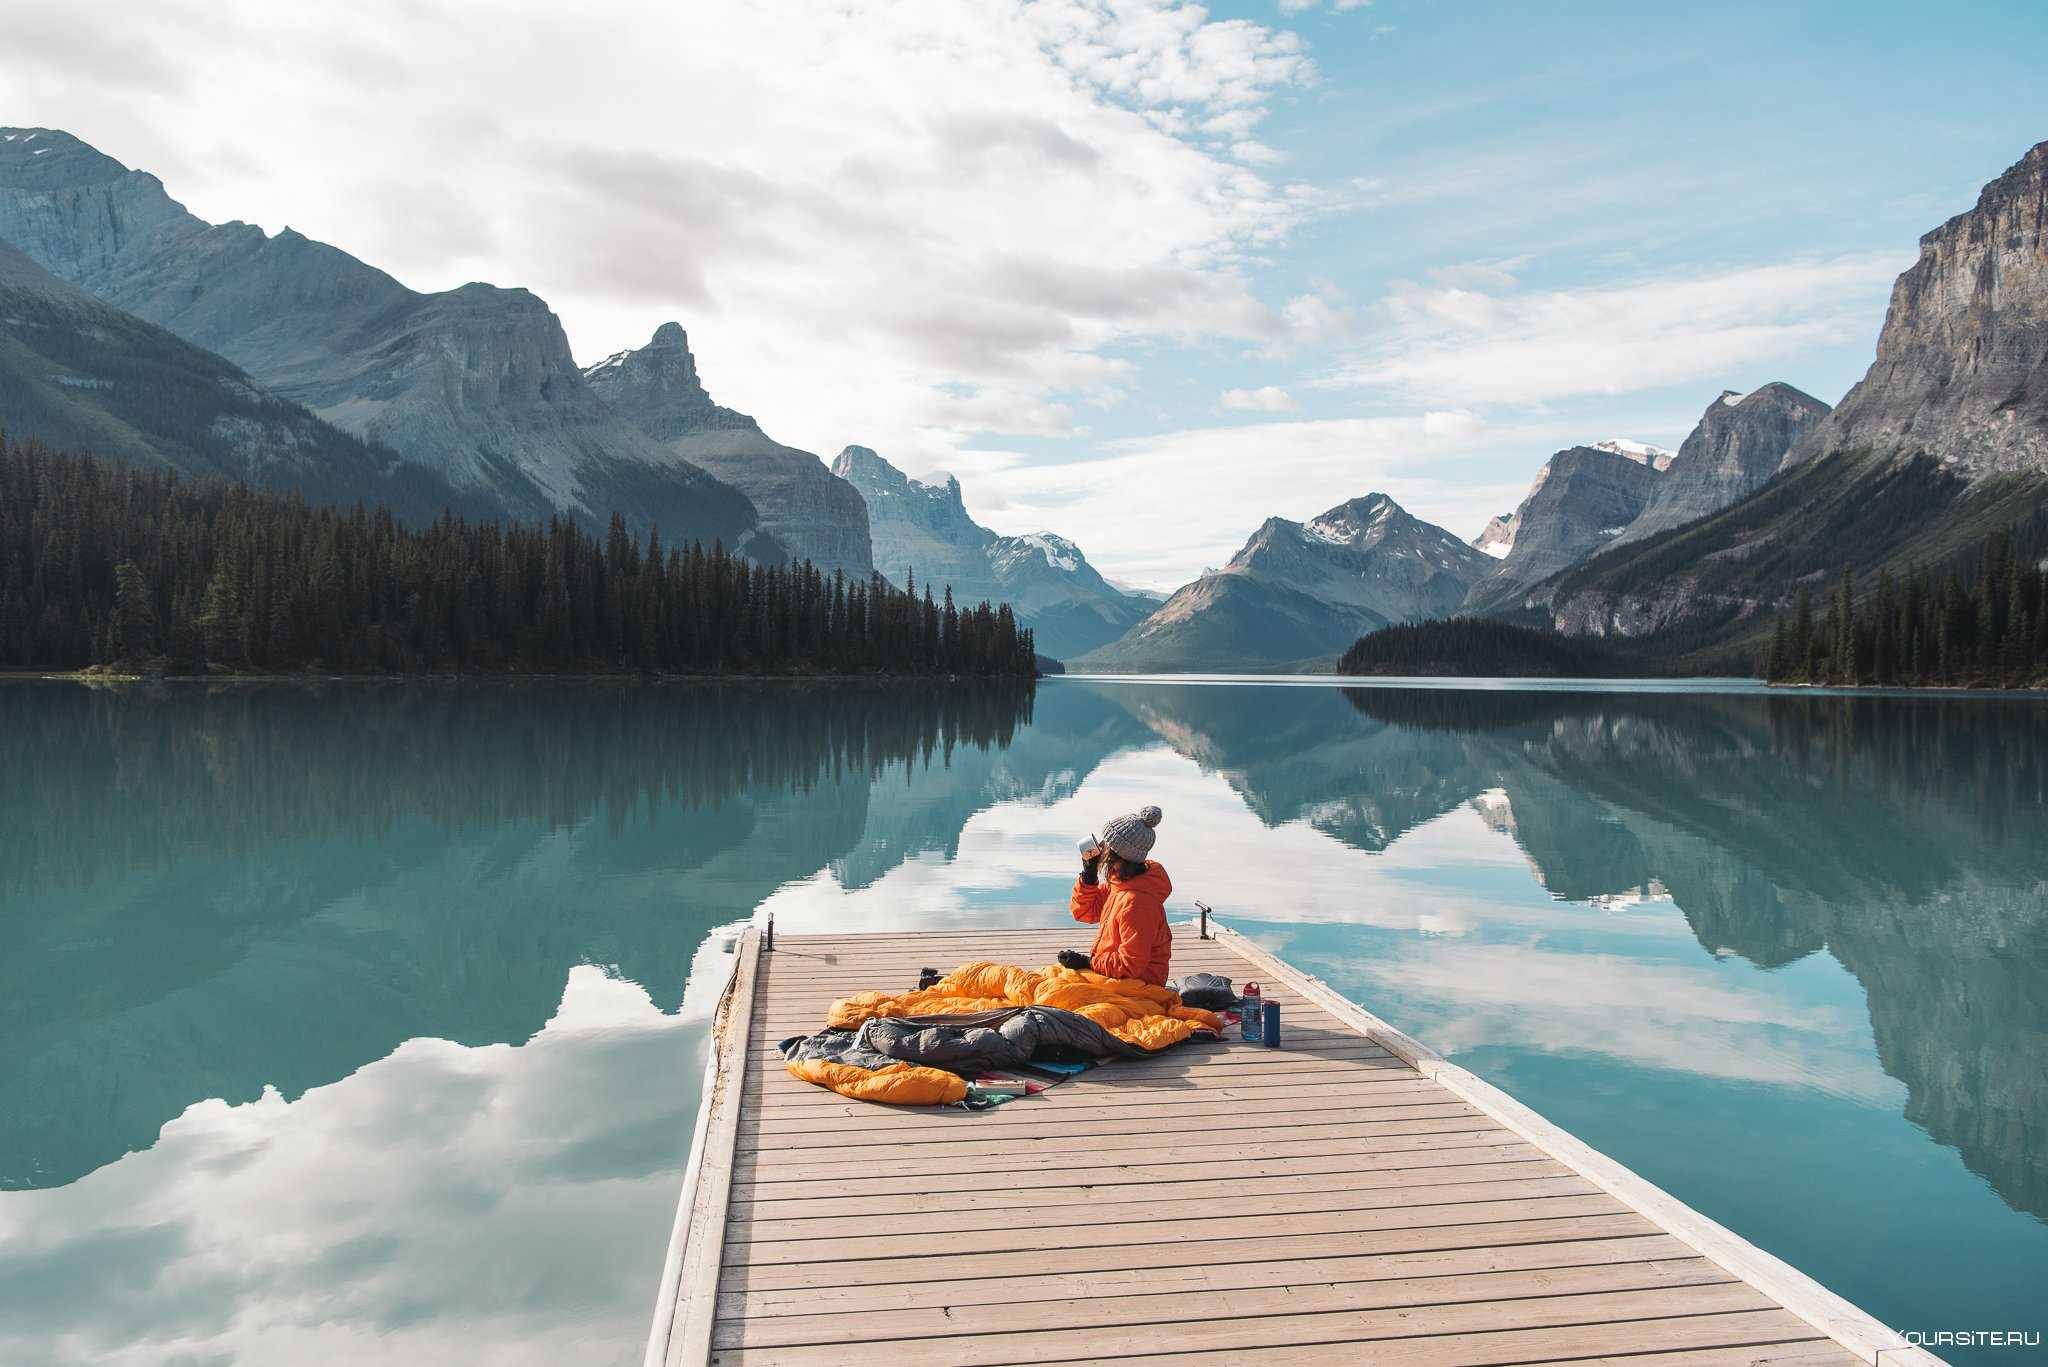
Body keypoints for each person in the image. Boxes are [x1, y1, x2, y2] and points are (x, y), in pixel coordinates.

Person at [1060, 806, 1172, 985]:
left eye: (1107, 844)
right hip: (1113, 976)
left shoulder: (1137, 903)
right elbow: (1084, 912)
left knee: (1056, 991)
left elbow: (1130, 965)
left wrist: (1087, 962)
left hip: (1140, 986)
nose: (1102, 847)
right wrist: (1088, 876)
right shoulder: (1120, 885)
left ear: (1116, 855)